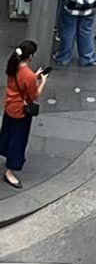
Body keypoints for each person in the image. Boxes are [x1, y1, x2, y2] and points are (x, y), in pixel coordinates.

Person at [2, 41, 45, 187]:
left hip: (9, 106)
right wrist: (42, 81)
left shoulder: (12, 65)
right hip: (21, 111)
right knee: (18, 141)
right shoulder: (29, 76)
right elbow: (33, 96)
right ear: (30, 57)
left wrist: (34, 77)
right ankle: (10, 171)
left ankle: (4, 151)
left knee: (7, 133)